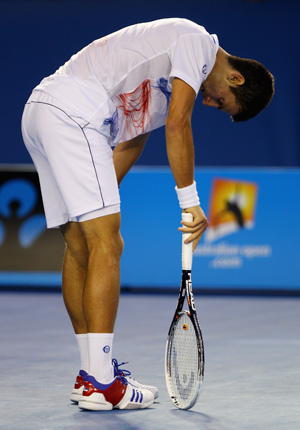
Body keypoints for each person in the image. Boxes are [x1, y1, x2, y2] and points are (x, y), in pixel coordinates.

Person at [21, 18, 274, 411]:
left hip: (40, 114)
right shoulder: (197, 44)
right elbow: (178, 124)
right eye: (220, 101)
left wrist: (103, 196)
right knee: (108, 243)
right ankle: (103, 382)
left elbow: (133, 139)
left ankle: (91, 375)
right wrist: (190, 202)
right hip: (74, 115)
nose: (210, 103)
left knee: (82, 246)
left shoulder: (165, 74)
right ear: (236, 79)